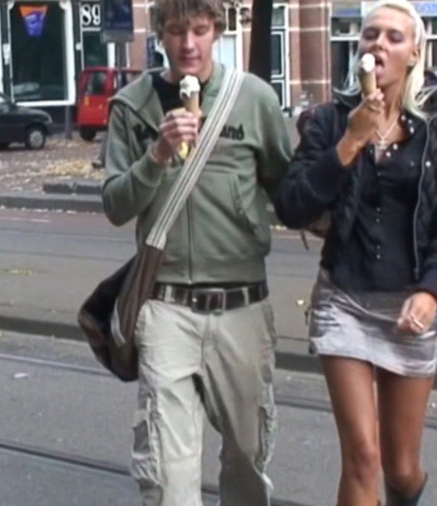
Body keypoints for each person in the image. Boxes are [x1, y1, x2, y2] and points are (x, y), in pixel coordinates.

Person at [272, 1, 437, 505]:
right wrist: (349, 143)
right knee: (362, 456)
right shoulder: (329, 121)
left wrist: (433, 292)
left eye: (392, 37)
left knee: (401, 468)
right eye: (369, 36)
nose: (378, 45)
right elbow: (292, 206)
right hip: (344, 300)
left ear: (415, 53)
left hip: (410, 307)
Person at [100, 0, 293, 504]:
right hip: (166, 307)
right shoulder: (132, 105)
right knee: (169, 475)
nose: (188, 44)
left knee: (247, 459)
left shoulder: (253, 98)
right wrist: (157, 156)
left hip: (241, 304)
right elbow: (116, 205)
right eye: (177, 31)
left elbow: (290, 189)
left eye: (200, 30)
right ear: (160, 33)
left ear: (217, 32)